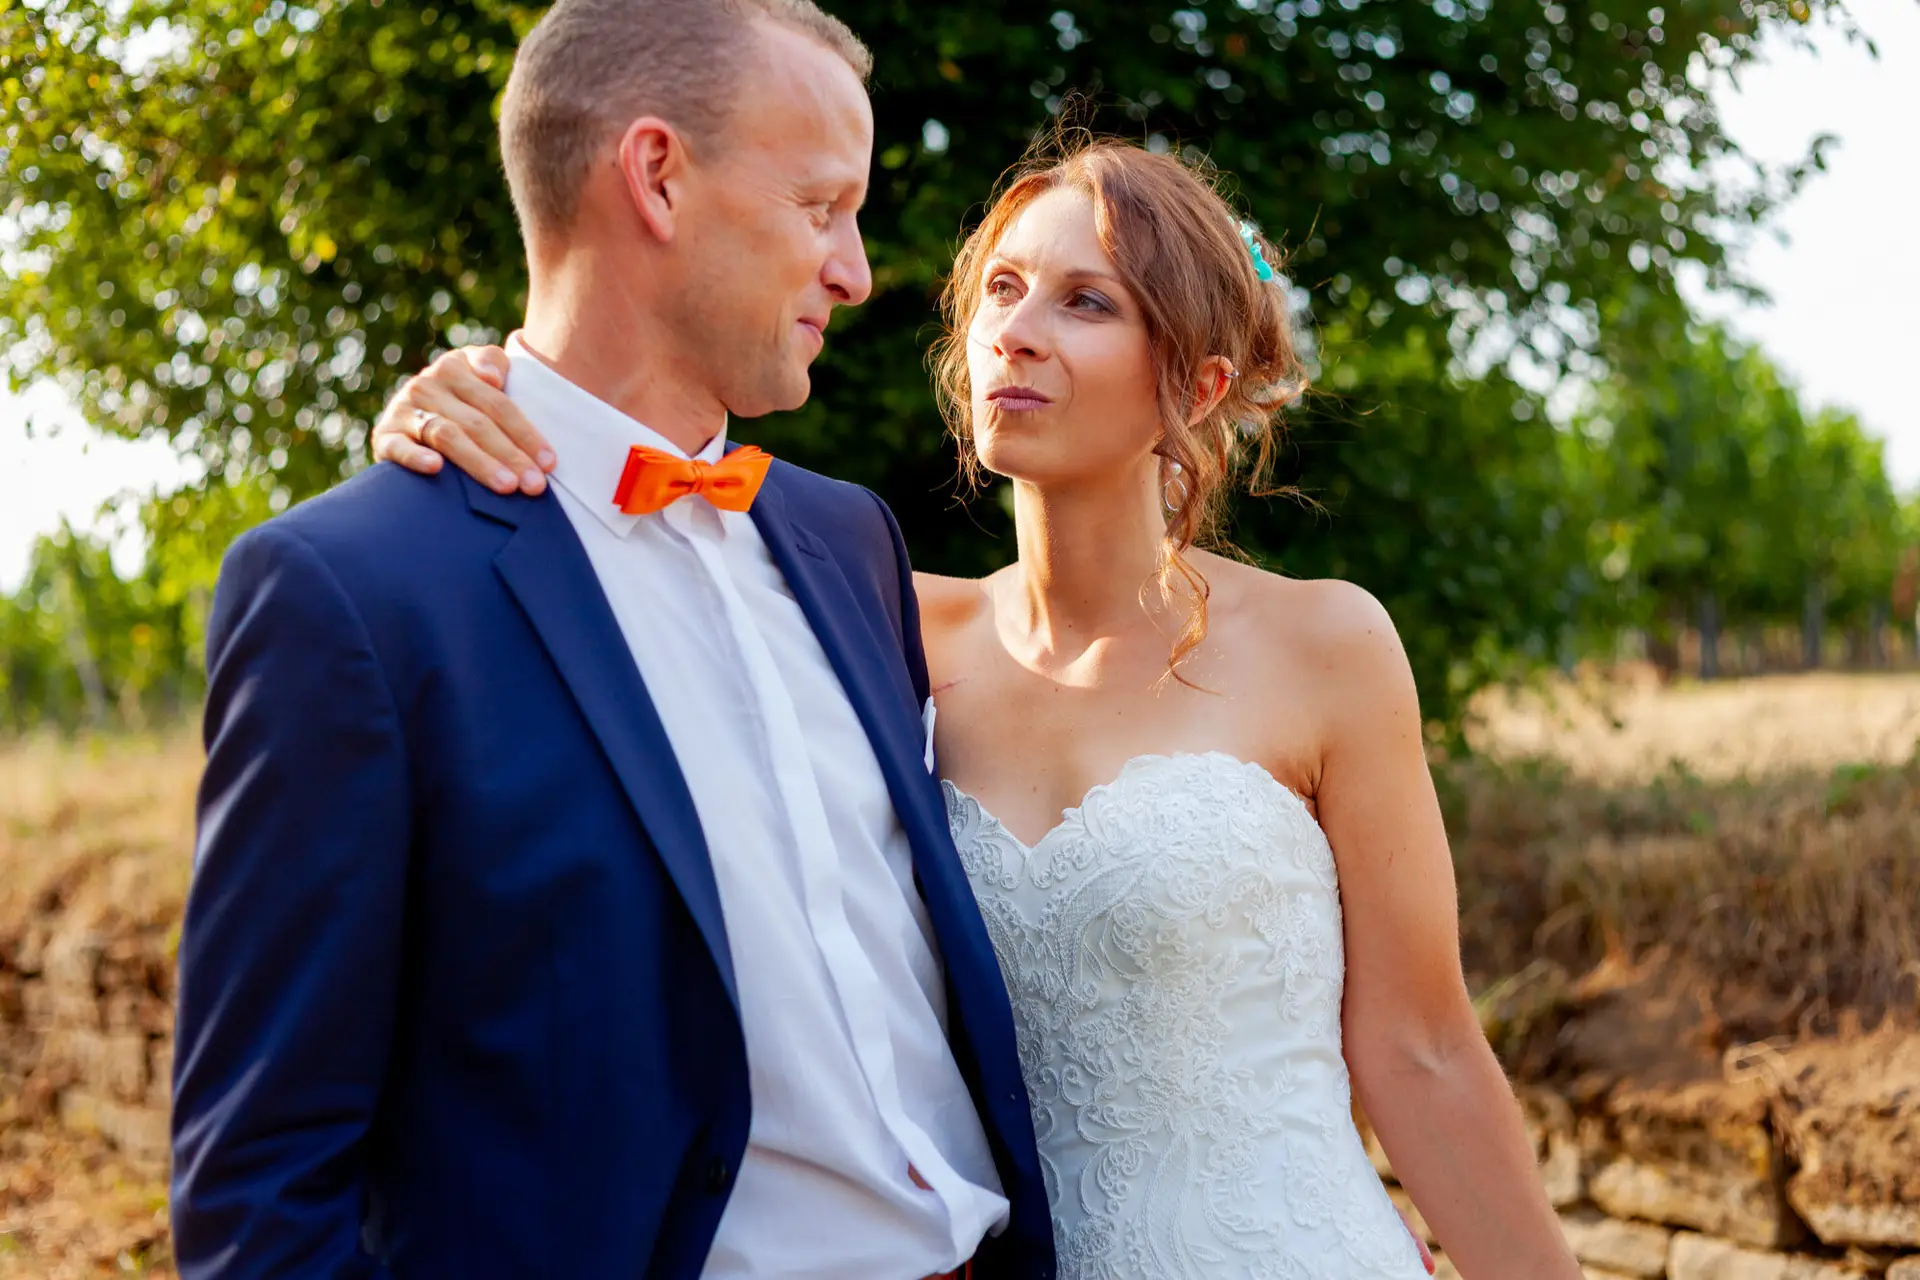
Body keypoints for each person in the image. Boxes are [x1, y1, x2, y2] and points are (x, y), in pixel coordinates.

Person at [374, 130, 1586, 1274]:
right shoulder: (875, 621)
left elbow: (1420, 1051)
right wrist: (458, 393)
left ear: (1202, 382)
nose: (1017, 331)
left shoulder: (1329, 642)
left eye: (1087, 301)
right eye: (1002, 289)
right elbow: (619, 552)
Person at [168, 1, 1055, 1276]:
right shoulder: (350, 593)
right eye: (821, 207)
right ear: (657, 176)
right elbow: (261, 1181)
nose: (856, 271)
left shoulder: (848, 540)